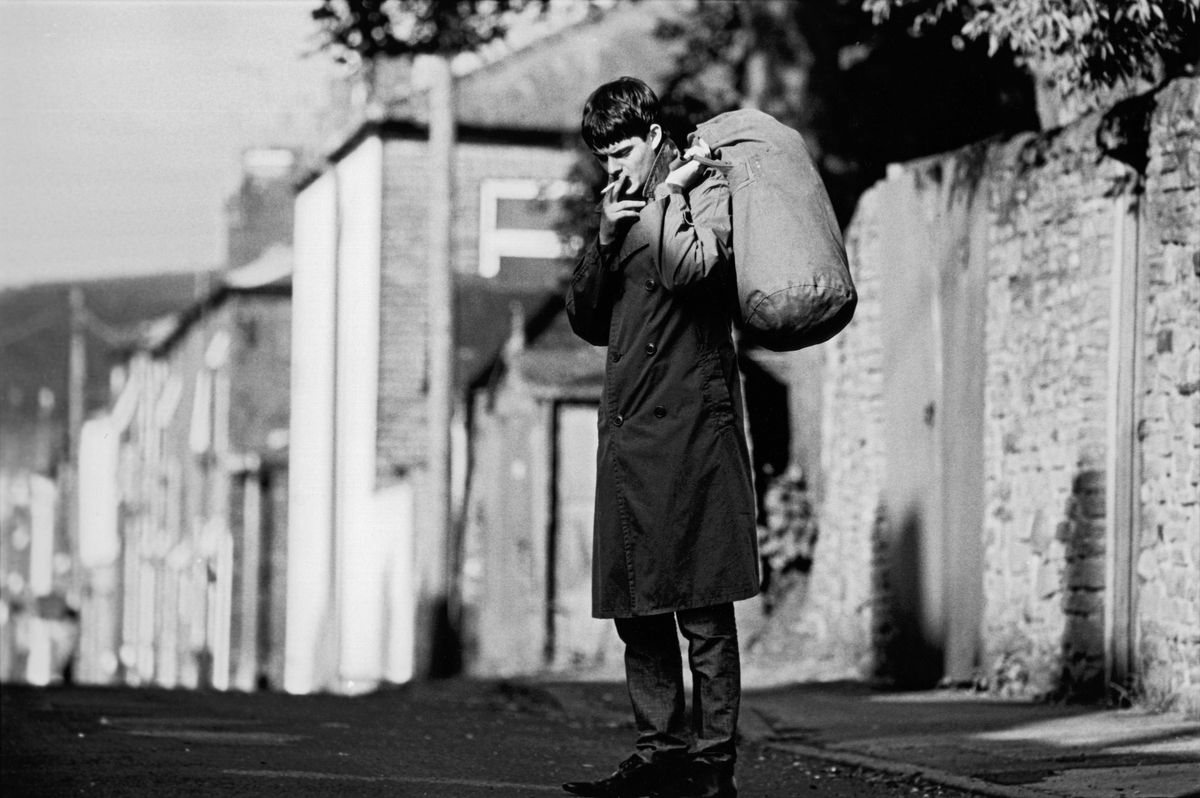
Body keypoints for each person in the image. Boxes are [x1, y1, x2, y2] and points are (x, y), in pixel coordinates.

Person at [562, 76, 758, 798]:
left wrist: (670, 195)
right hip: (628, 431)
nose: (612, 168)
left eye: (621, 153)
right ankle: (657, 755)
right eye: (602, 158)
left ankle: (712, 766)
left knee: (702, 608)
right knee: (637, 608)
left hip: (692, 430)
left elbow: (692, 271)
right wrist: (606, 240)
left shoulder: (704, 186)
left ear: (652, 137)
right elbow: (585, 319)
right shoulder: (619, 206)